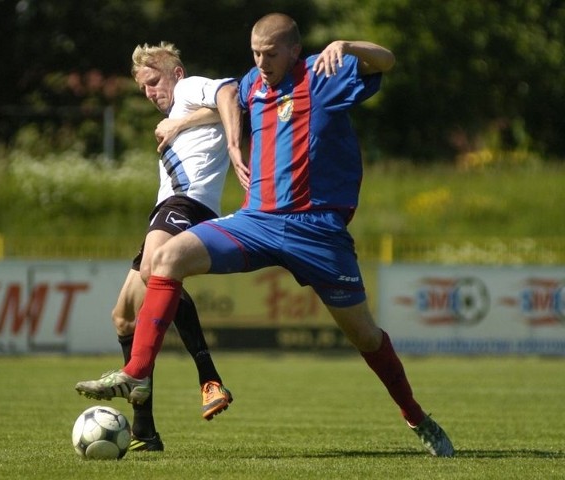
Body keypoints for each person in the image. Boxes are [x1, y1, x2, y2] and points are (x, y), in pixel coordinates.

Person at [76, 14, 455, 457]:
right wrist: (183, 125)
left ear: (294, 50)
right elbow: (225, 102)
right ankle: (138, 371)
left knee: (366, 337)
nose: (261, 61)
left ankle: (415, 415)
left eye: (270, 53)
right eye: (255, 52)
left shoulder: (323, 73)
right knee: (166, 258)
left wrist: (348, 45)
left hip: (318, 233)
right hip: (259, 220)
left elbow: (387, 61)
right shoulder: (254, 83)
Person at [76, 41, 235, 452]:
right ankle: (145, 432)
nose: (150, 92)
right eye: (143, 87)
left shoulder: (189, 88)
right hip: (165, 210)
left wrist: (180, 124)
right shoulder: (177, 109)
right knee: (123, 317)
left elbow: (234, 95)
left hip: (189, 204)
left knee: (157, 272)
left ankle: (209, 378)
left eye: (154, 80)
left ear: (176, 72)